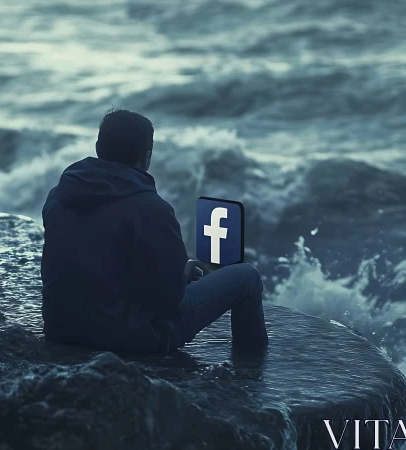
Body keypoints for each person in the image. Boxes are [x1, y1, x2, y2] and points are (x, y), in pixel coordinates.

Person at [40, 109, 268, 356]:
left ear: (98, 147)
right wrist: (179, 277)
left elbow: (96, 262)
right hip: (130, 339)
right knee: (248, 277)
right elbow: (171, 302)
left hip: (60, 327)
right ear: (146, 156)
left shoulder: (59, 196)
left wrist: (177, 271)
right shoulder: (151, 208)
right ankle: (251, 371)